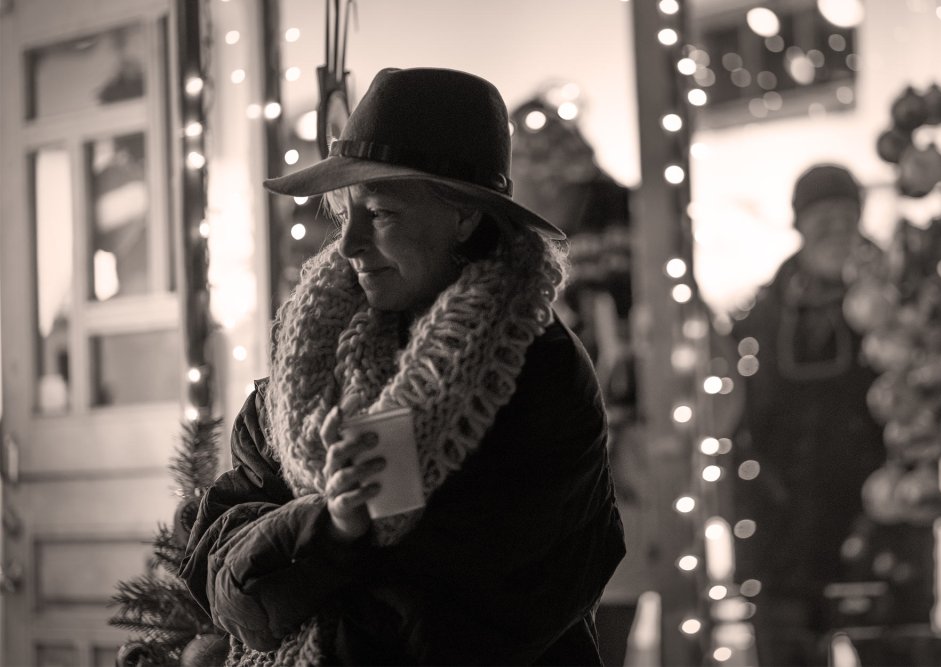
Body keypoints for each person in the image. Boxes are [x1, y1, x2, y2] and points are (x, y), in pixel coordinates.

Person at [178, 67, 626, 666]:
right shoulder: (306, 362)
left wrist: (324, 555)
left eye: (382, 213)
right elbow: (220, 568)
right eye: (346, 213)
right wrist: (327, 526)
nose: (349, 244)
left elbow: (474, 615)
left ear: (465, 216)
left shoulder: (539, 376)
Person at [728, 164, 933, 666]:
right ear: (799, 224)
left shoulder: (905, 302)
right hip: (787, 542)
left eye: (847, 216)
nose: (837, 230)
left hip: (885, 533)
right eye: (823, 218)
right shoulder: (759, 319)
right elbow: (741, 427)